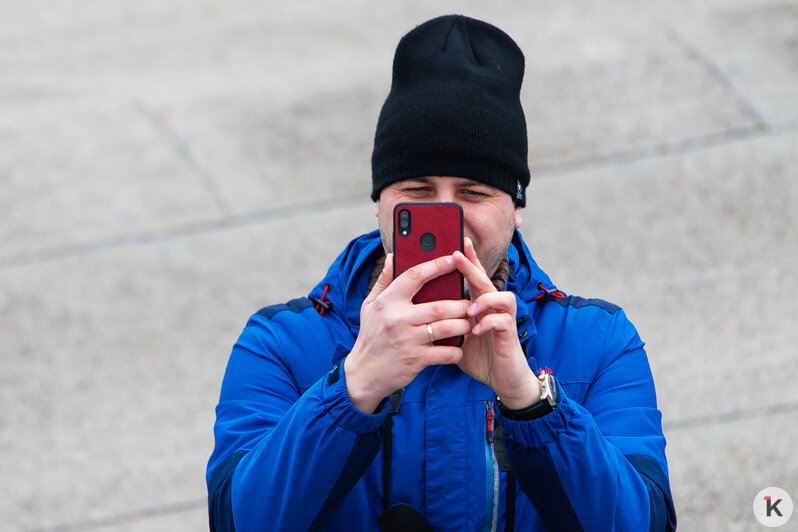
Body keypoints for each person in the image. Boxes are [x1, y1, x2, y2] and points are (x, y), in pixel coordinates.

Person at [207, 14, 677, 532]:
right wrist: (354, 387)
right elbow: (240, 522)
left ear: (516, 208)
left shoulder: (602, 342)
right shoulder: (278, 345)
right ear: (380, 202)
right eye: (418, 192)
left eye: (474, 193)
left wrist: (530, 403)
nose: (449, 216)